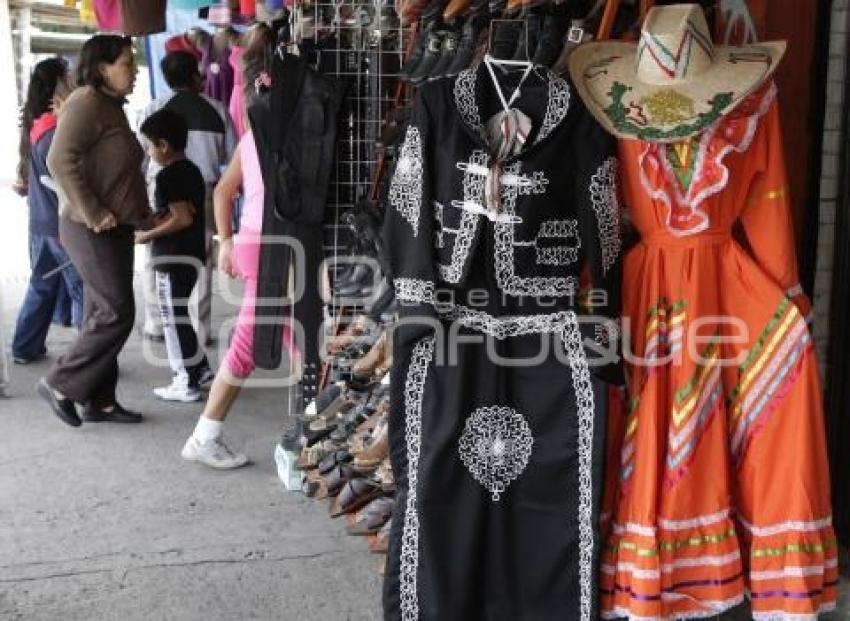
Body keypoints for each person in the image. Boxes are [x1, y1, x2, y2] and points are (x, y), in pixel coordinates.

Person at [36, 34, 148, 427]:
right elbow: (58, 159)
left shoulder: (111, 106)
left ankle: (98, 401)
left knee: (101, 312)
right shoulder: (86, 102)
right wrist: (94, 211)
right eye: (126, 64)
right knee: (117, 311)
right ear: (102, 68)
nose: (133, 72)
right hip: (89, 227)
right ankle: (59, 382)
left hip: (114, 226)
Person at [181, 130, 296, 469]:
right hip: (270, 247)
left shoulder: (253, 135)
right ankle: (204, 436)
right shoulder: (288, 135)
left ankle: (319, 430)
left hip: (253, 241)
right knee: (248, 345)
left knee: (299, 338)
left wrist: (228, 241)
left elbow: (223, 191)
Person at [140, 51, 236, 346]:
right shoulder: (217, 110)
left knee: (156, 256)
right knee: (201, 258)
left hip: (162, 189)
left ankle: (158, 324)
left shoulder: (154, 107)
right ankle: (199, 329)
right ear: (196, 75)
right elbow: (231, 156)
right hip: (203, 190)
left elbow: (142, 157)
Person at [11, 57, 85, 364]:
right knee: (82, 288)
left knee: (42, 284)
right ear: (56, 83)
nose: (73, 80)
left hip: (40, 221)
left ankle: (24, 347)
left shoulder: (37, 121)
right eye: (67, 76)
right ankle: (88, 358)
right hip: (59, 223)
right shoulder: (57, 128)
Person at [136, 109, 212, 402]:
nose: (149, 152)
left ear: (164, 146)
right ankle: (200, 368)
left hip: (172, 257)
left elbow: (181, 218)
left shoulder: (167, 176)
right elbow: (185, 211)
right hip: (190, 255)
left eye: (149, 146)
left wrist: (147, 235)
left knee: (172, 317)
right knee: (179, 314)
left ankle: (184, 381)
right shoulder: (191, 170)